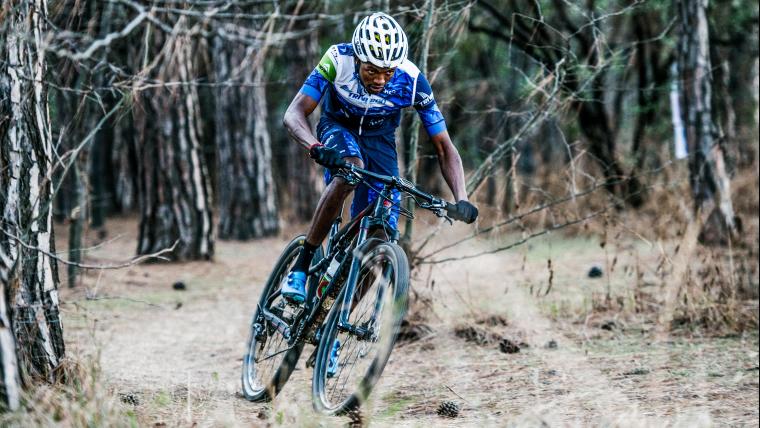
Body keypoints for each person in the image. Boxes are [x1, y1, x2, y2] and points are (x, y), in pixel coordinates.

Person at [281, 12, 478, 304]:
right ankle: (302, 263)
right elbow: (294, 112)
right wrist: (314, 146)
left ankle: (338, 319)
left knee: (382, 233)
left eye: (388, 71)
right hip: (338, 127)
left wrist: (461, 196)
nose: (381, 79)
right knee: (352, 169)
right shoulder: (338, 60)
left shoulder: (411, 81)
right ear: (358, 59)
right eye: (372, 70)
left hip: (380, 141)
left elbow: (444, 146)